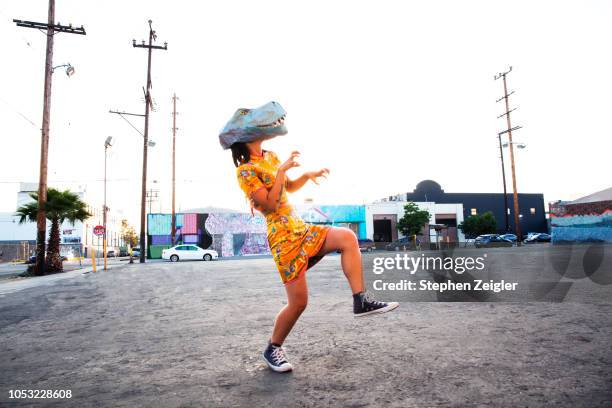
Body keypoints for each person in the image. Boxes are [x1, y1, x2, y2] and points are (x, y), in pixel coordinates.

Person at [220, 102, 398, 373]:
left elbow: (288, 188)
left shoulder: (269, 156)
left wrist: (305, 175)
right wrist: (280, 172)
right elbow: (268, 204)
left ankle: (360, 301)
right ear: (242, 135)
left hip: (300, 228)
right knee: (299, 302)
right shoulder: (245, 171)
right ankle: (273, 348)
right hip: (283, 238)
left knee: (347, 238)